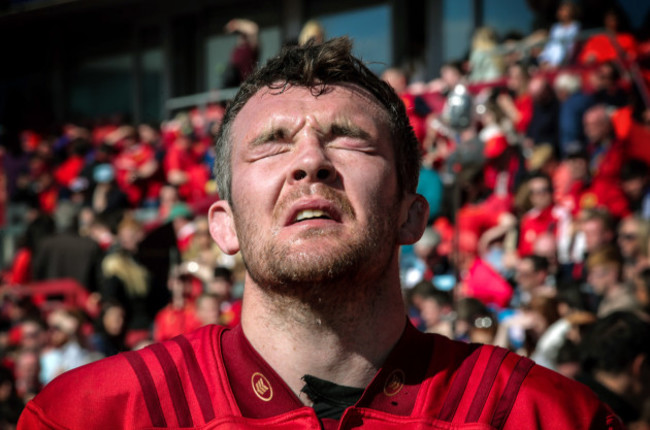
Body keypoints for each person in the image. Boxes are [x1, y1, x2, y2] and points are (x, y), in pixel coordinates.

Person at [19, 37, 621, 429]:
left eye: (348, 139)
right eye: (273, 144)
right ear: (222, 226)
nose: (311, 161)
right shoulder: (90, 417)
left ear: (412, 214)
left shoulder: (546, 417)